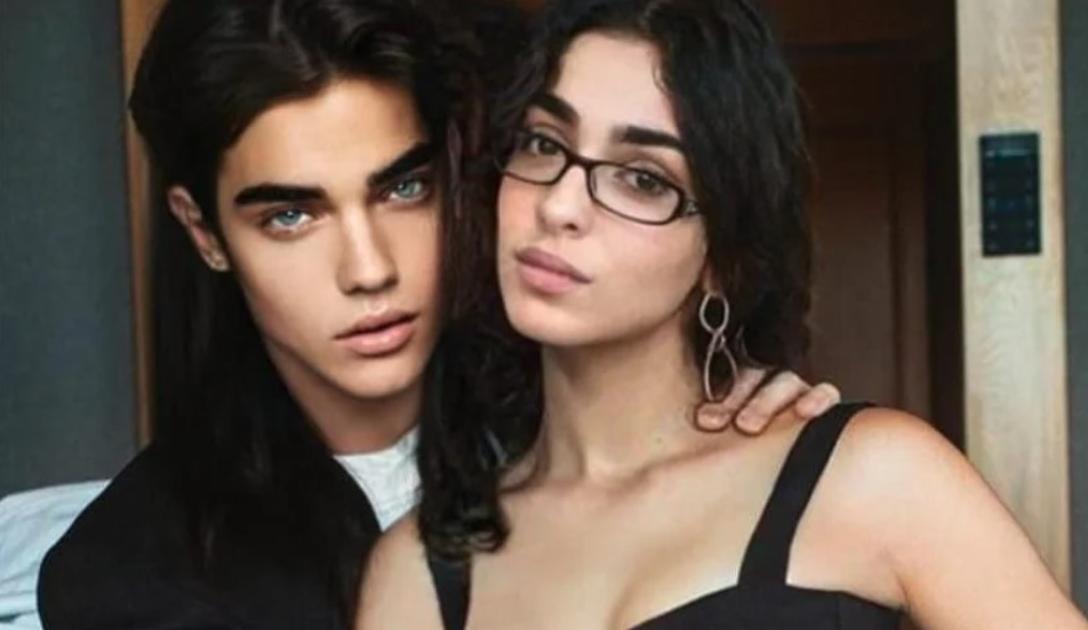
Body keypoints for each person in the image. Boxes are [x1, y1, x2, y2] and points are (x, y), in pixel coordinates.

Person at [36, 1, 839, 628]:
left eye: (403, 189)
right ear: (204, 232)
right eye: (291, 216)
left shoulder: (580, 419)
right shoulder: (128, 570)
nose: (369, 270)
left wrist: (744, 435)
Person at [357, 1, 1088, 628]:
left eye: (643, 179)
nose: (560, 204)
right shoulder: (420, 573)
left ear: (723, 253)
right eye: (544, 143)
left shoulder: (871, 477)